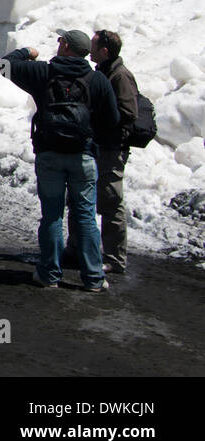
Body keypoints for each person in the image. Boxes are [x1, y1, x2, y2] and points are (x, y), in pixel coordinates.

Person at [0, 31, 119, 292]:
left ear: (65, 46)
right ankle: (93, 278)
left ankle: (49, 274)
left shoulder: (44, 73)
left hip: (49, 154)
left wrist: (27, 52)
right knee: (86, 216)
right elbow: (112, 122)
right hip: (83, 155)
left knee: (52, 215)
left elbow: (4, 65)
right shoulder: (97, 79)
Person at [65, 29, 140, 274]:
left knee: (110, 203)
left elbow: (129, 113)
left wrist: (101, 121)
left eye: (94, 47)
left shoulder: (119, 76)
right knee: (82, 197)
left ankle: (114, 258)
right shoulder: (103, 73)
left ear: (104, 51)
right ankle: (76, 249)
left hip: (110, 149)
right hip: (97, 146)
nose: (90, 51)